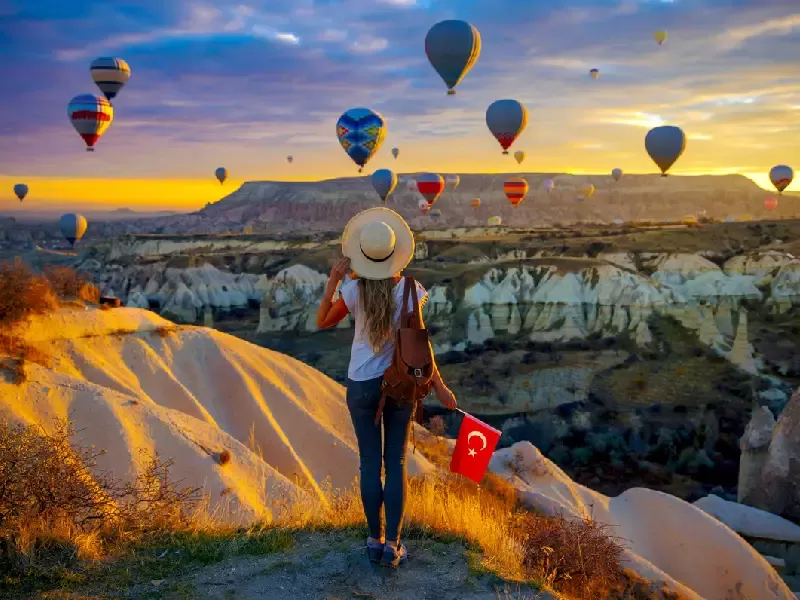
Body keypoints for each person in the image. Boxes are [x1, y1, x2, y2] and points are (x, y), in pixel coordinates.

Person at [316, 207, 457, 568]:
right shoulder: (411, 290)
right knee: (394, 463)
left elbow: (322, 322)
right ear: (396, 253)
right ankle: (392, 545)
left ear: (362, 255)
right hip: (400, 387)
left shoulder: (352, 288)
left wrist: (334, 280)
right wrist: (439, 386)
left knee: (368, 464)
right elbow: (420, 344)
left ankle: (372, 540)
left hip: (360, 384)